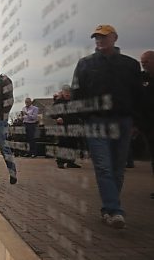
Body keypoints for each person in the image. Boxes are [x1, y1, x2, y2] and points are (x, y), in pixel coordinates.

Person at [71, 24, 142, 229]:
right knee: (103, 166)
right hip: (96, 121)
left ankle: (109, 208)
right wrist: (83, 118)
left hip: (122, 120)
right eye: (97, 38)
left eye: (104, 37)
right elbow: (78, 93)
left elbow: (137, 94)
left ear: (114, 38)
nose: (100, 41)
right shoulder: (85, 64)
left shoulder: (129, 65)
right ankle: (114, 209)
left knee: (118, 169)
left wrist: (136, 121)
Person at [51, 85, 81, 169]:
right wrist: (57, 117)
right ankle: (60, 162)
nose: (67, 94)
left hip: (74, 126)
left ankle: (71, 162)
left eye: (69, 92)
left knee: (73, 144)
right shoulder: (58, 102)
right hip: (62, 127)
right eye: (66, 92)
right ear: (62, 92)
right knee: (63, 144)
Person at [139, 50, 154, 199]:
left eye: (146, 62)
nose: (143, 64)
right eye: (142, 62)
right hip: (149, 125)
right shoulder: (142, 78)